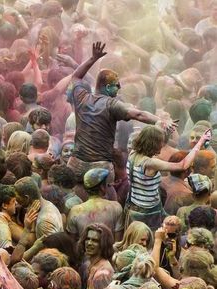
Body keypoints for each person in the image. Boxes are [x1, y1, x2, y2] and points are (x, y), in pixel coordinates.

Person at [68, 42, 176, 198]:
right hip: (100, 165)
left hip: (76, 162)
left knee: (74, 197)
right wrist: (160, 121)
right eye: (116, 86)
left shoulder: (82, 97)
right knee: (107, 200)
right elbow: (138, 114)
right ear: (107, 87)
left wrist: (93, 58)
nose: (119, 88)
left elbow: (76, 76)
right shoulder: (112, 104)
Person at [126, 126, 210, 230]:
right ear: (153, 143)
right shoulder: (150, 163)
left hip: (134, 207)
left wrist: (161, 126)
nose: (162, 145)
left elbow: (149, 133)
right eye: (160, 142)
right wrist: (200, 142)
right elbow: (182, 165)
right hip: (148, 213)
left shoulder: (132, 154)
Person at [66, 168, 124, 242]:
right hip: (108, 253)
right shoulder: (116, 207)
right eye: (106, 185)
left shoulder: (75, 211)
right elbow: (118, 242)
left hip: (84, 253)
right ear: (102, 188)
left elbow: (72, 242)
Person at [79, 223, 115, 289]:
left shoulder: (102, 274)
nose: (89, 243)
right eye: (87, 239)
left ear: (103, 244)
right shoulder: (90, 264)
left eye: (95, 240)